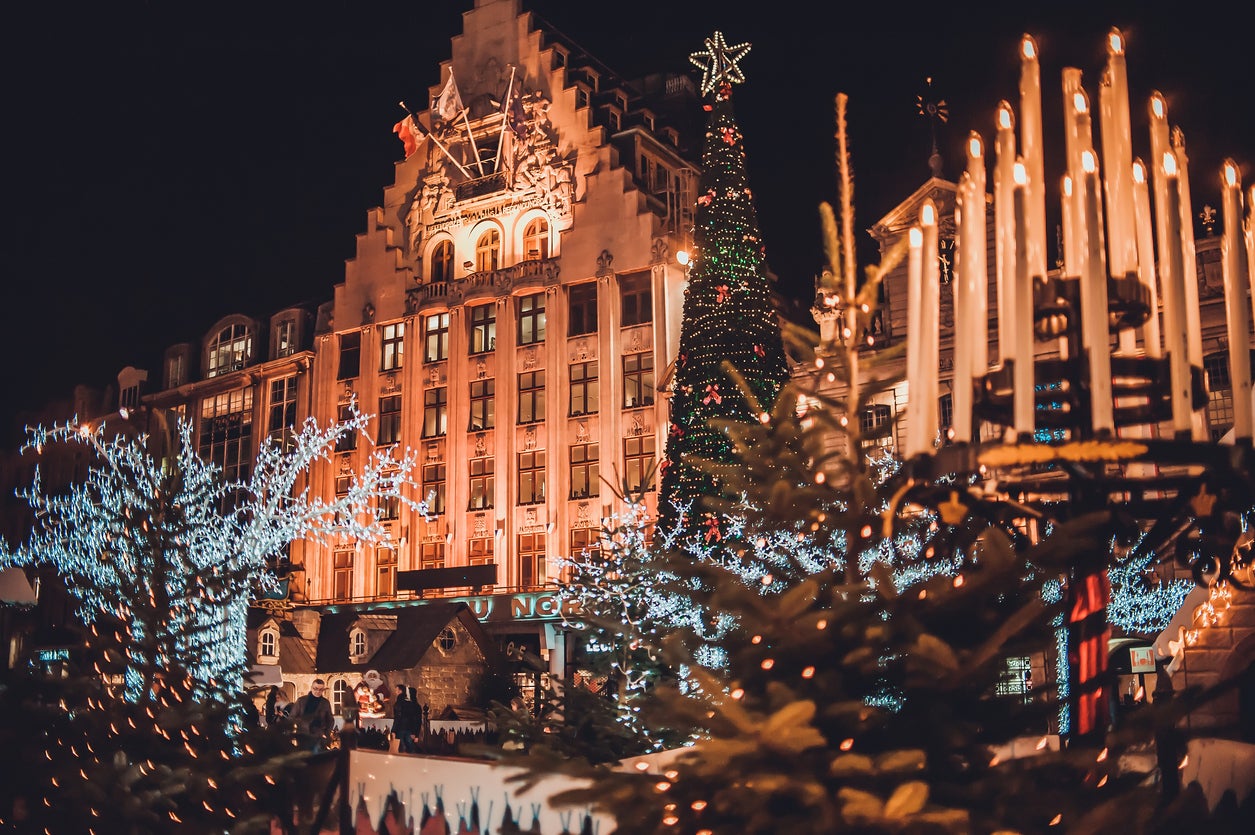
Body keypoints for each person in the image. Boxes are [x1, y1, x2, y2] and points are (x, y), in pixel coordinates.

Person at [293, 679, 334, 751]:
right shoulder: (301, 701)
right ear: (311, 688)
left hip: (319, 736)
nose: (318, 691)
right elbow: (292, 717)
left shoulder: (325, 703)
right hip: (303, 736)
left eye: (321, 690)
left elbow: (330, 720)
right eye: (316, 688)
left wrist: (326, 733)